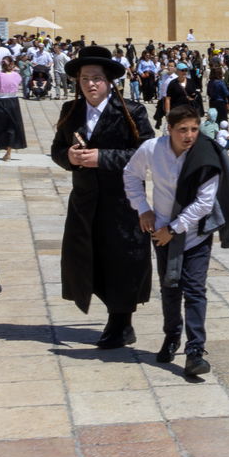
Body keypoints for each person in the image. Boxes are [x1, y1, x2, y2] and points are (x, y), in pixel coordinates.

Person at [123, 104, 229, 378]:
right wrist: (143, 209)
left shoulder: (205, 154)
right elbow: (130, 174)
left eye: (194, 129)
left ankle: (195, 350)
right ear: (169, 129)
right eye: (183, 130)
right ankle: (171, 336)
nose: (189, 135)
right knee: (170, 287)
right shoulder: (152, 149)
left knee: (195, 290)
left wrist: (173, 230)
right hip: (162, 231)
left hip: (194, 234)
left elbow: (204, 203)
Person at [52, 45, 155, 349]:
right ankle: (113, 316)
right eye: (85, 79)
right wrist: (69, 156)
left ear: (109, 80)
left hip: (122, 202)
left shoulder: (131, 111)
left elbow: (147, 153)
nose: (90, 84)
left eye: (96, 78)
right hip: (85, 201)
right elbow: (58, 149)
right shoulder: (70, 111)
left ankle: (121, 322)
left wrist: (103, 157)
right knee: (86, 258)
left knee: (121, 261)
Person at [0, 57, 28, 162]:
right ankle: (8, 153)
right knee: (12, 128)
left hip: (0, 102)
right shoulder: (17, 76)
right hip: (13, 103)